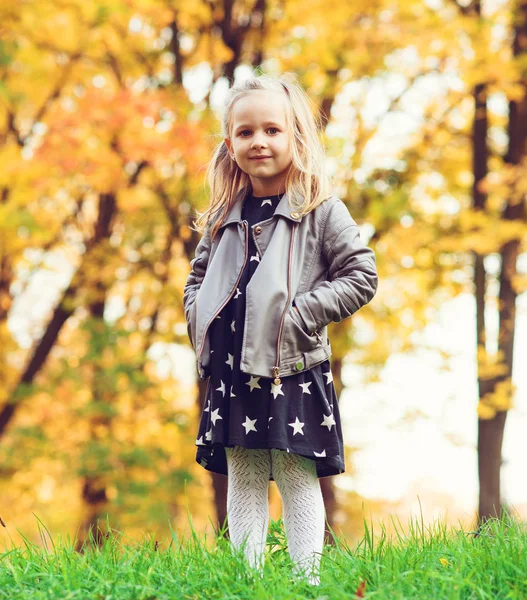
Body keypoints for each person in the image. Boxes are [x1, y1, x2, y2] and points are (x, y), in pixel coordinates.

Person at [183, 73, 378, 585]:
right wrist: (196, 318)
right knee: (242, 476)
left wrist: (301, 316)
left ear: (296, 137)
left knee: (295, 474)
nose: (259, 142)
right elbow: (198, 278)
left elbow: (362, 275)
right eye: (245, 133)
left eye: (272, 130)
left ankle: (305, 582)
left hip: (288, 366)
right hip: (230, 368)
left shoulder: (321, 210)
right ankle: (248, 583)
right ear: (231, 144)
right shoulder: (224, 214)